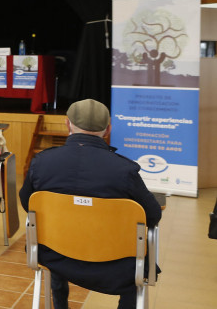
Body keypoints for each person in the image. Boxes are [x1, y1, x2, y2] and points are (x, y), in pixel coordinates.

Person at [20, 99, 162, 309]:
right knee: (136, 276)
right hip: (116, 266)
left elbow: (27, 203)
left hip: (55, 256)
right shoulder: (124, 170)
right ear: (108, 130)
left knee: (58, 235)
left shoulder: (42, 162)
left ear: (67, 124)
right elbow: (152, 215)